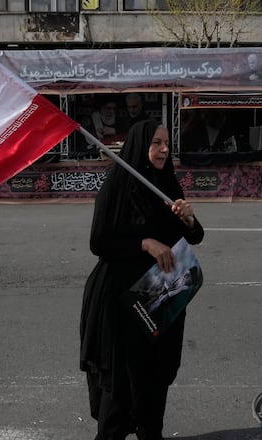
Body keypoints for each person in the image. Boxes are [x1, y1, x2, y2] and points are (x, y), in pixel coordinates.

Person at [80, 120, 205, 440]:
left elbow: (196, 235)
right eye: (156, 143)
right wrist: (144, 243)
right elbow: (100, 241)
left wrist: (189, 220)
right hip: (121, 301)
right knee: (121, 383)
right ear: (139, 146)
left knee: (155, 376)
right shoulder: (118, 184)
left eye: (166, 143)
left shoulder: (166, 184)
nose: (164, 149)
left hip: (162, 297)